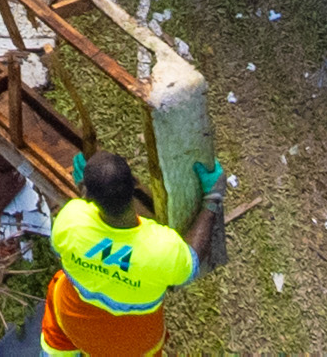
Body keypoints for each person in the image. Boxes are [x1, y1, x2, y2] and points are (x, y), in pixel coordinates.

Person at [35, 150, 223, 356]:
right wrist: (212, 198)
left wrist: (85, 186)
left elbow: (62, 247)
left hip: (71, 323)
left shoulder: (70, 221)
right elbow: (193, 261)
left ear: (86, 194)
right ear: (135, 182)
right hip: (134, 344)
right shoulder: (162, 249)